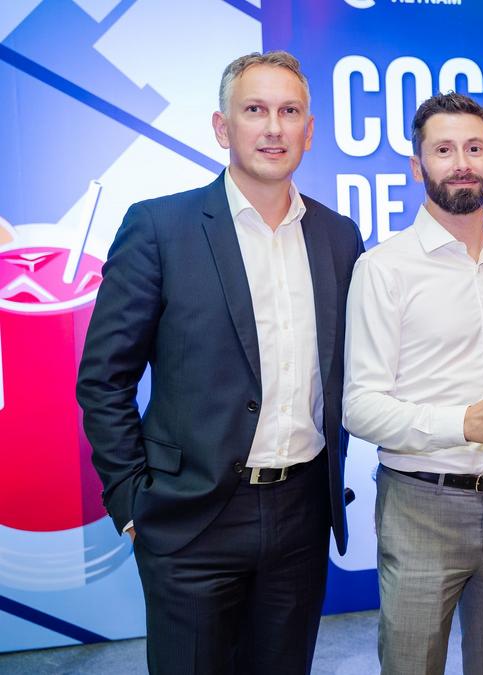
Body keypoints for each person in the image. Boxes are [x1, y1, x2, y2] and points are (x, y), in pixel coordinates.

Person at [76, 51, 364, 674]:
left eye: (290, 112)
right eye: (254, 110)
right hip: (191, 519)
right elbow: (103, 379)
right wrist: (132, 503)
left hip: (302, 516)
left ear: (309, 131)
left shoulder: (340, 237)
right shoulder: (158, 227)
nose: (274, 128)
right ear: (221, 126)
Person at [342, 92, 483, 675]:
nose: (462, 163)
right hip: (421, 508)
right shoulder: (384, 267)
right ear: (417, 166)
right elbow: (359, 407)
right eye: (444, 150)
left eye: (475, 148)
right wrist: (463, 422)